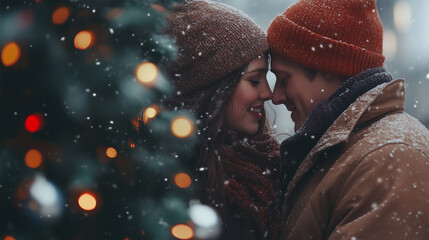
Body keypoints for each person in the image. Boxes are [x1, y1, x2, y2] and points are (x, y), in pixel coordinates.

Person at [267, 0, 429, 239]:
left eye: (285, 79)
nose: (276, 97)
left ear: (326, 67)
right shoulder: (350, 149)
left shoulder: (389, 157)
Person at [162, 1, 280, 239]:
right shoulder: (177, 187)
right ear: (216, 90)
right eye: (255, 80)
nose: (268, 93)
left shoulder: (267, 163)